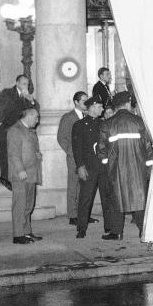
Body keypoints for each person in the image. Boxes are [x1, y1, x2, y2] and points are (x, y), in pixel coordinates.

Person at [99, 91, 153, 237]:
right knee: (140, 199)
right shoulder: (139, 122)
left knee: (116, 200)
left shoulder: (107, 124)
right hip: (138, 168)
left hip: (116, 169)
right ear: (128, 104)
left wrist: (107, 166)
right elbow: (148, 147)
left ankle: (116, 233)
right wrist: (149, 168)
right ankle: (145, 231)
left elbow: (102, 150)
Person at [72, 96, 115, 239]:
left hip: (104, 167)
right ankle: (81, 228)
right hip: (89, 168)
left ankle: (109, 226)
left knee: (107, 197)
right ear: (91, 107)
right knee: (85, 198)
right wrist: (80, 167)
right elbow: (77, 149)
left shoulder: (105, 124)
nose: (102, 109)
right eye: (99, 107)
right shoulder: (79, 125)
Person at [0, 74, 36, 190]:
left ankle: (13, 177)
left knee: (16, 153)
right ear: (17, 83)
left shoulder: (26, 97)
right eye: (24, 84)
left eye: (27, 84)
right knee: (5, 153)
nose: (26, 86)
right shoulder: (7, 93)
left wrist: (30, 101)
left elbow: (32, 112)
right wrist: (0, 123)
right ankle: (5, 178)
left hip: (19, 130)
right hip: (6, 128)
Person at [7, 104, 43, 244]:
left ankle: (27, 232)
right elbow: (13, 153)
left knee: (28, 204)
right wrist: (20, 170)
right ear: (27, 116)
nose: (37, 120)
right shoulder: (15, 130)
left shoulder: (29, 130)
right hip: (21, 175)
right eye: (35, 117)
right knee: (20, 205)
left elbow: (31, 148)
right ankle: (18, 234)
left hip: (31, 173)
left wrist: (37, 154)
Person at [57, 91, 90, 226]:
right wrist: (71, 152)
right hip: (74, 157)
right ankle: (72, 214)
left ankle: (83, 214)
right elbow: (61, 138)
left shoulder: (87, 116)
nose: (86, 104)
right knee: (73, 185)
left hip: (87, 156)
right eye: (84, 101)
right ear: (76, 102)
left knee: (86, 186)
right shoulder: (68, 117)